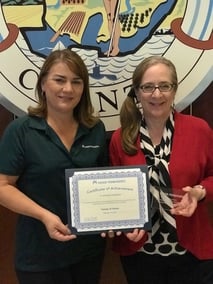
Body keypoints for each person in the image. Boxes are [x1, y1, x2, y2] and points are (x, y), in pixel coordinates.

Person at [0, 49, 108, 284]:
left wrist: (115, 219)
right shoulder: (21, 131)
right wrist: (44, 216)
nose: (68, 89)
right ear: (43, 84)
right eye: (59, 80)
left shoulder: (95, 129)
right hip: (39, 256)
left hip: (88, 252)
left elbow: (105, 183)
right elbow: (3, 186)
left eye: (76, 82)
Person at [109, 55, 213, 284]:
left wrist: (199, 191)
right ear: (137, 92)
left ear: (174, 90)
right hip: (139, 254)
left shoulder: (199, 130)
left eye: (164, 86)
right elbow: (116, 194)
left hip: (192, 252)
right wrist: (123, 223)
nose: (157, 94)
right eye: (148, 87)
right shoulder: (121, 138)